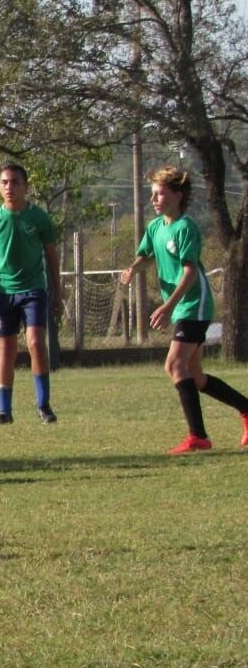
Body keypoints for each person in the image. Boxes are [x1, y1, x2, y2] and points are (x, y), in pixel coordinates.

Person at [120, 166, 248, 454]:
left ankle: (198, 437)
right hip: (181, 306)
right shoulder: (155, 227)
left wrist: (168, 305)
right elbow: (145, 257)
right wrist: (132, 270)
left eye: (160, 193)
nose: (154, 199)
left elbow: (190, 272)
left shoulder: (186, 227)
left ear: (178, 195)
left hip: (194, 304)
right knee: (195, 375)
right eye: (152, 193)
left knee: (174, 365)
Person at [0, 163, 60, 425]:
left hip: (33, 289)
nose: (9, 187)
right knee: (6, 349)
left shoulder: (39, 218)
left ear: (25, 186)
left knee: (35, 343)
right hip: (3, 293)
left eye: (15, 182)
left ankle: (43, 405)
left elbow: (52, 256)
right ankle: (4, 411)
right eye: (5, 182)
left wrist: (57, 291)